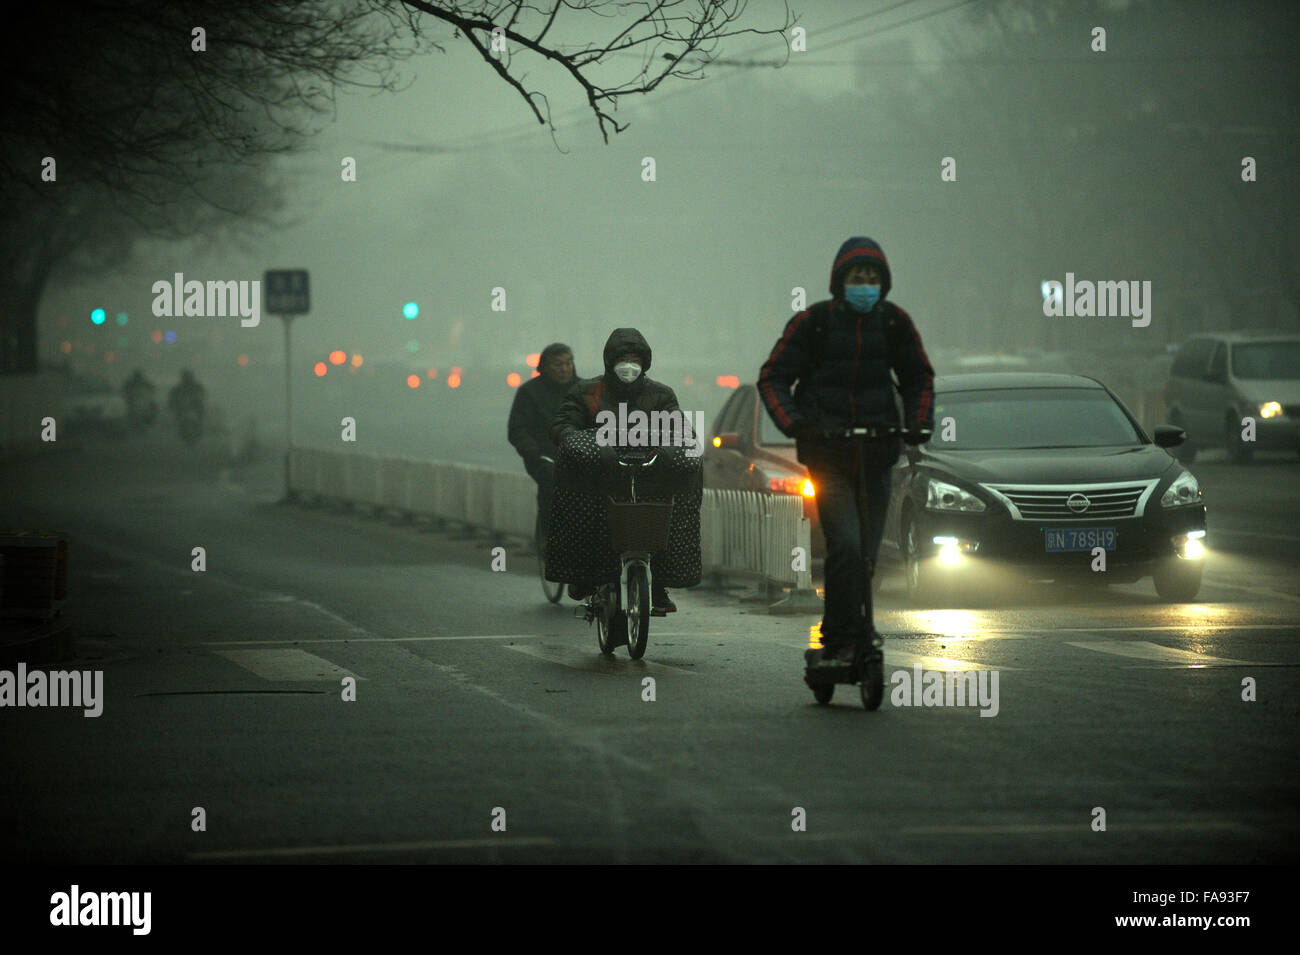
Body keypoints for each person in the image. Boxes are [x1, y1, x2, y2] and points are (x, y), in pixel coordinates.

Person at [758, 237, 935, 663]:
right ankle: (838, 637)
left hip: (877, 455)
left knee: (868, 557)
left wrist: (917, 423)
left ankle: (856, 630)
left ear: (884, 284)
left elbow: (918, 378)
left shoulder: (894, 324)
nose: (865, 286)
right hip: (829, 457)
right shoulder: (813, 324)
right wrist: (796, 423)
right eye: (858, 278)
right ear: (840, 282)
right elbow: (772, 378)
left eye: (873, 278)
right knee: (848, 547)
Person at [547, 328, 702, 615]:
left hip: (648, 478)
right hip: (599, 478)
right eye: (623, 358)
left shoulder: (661, 395)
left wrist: (671, 451)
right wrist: (582, 444)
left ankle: (660, 582)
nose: (628, 365)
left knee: (666, 515)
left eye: (635, 359)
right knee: (584, 513)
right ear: (610, 361)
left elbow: (681, 430)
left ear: (644, 363)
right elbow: (564, 425)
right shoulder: (586, 392)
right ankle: (582, 572)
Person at [507, 343, 576, 544]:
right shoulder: (529, 393)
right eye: (558, 364)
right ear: (544, 367)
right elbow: (517, 430)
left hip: (580, 454)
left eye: (568, 363)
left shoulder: (584, 391)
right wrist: (533, 453)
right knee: (552, 483)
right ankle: (548, 538)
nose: (565, 369)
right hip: (543, 457)